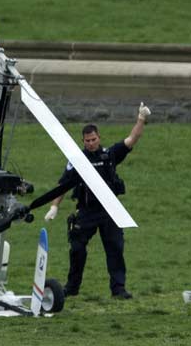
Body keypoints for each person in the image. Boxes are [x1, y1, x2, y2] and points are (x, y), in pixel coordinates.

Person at [44, 102, 151, 299]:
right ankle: (72, 287)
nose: (91, 143)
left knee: (115, 249)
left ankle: (118, 289)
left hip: (110, 210)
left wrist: (141, 119)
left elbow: (132, 138)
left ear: (99, 138)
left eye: (93, 140)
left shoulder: (109, 155)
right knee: (76, 249)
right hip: (86, 211)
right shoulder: (77, 160)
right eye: (87, 141)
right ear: (83, 141)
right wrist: (54, 207)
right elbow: (63, 185)